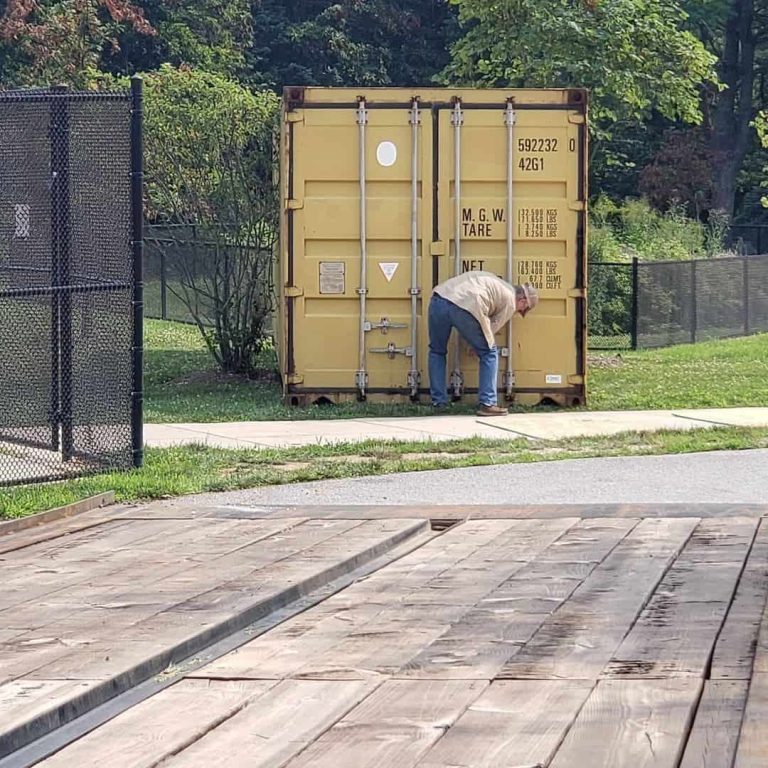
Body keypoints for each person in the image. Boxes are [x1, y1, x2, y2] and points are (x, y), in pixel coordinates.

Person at [428, 271, 538, 416]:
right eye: (522, 310)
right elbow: (493, 327)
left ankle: (439, 403)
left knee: (437, 351)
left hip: (438, 299)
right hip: (466, 307)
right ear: (523, 301)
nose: (518, 311)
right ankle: (488, 403)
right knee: (489, 353)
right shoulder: (511, 301)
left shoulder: (496, 281)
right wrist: (477, 345)